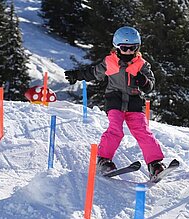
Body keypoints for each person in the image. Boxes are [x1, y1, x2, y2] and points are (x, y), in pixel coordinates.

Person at [64, 26, 166, 178]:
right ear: (117, 48)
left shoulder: (142, 64)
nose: (129, 52)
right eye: (125, 48)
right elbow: (93, 72)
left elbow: (150, 85)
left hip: (134, 102)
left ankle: (155, 164)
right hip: (115, 100)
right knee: (115, 130)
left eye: (133, 48)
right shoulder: (109, 62)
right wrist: (77, 75)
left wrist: (143, 80)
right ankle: (104, 160)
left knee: (143, 131)